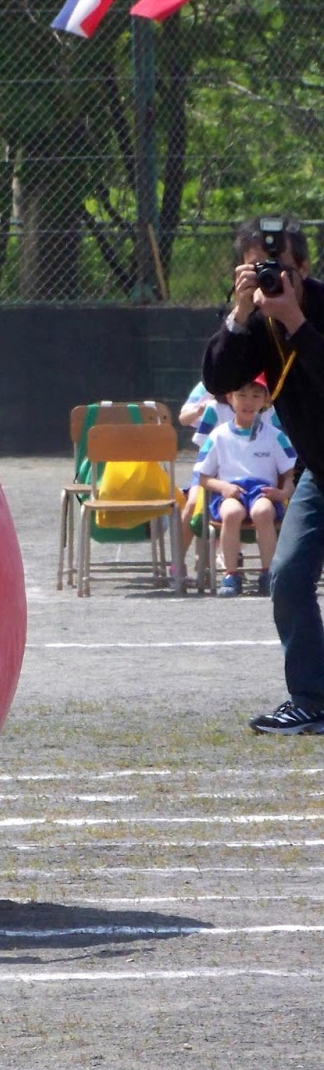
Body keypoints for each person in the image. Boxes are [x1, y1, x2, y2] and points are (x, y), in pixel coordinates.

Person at [202, 214, 324, 733]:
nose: (273, 278)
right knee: (289, 575)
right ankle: (311, 699)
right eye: (259, 268)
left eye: (283, 269)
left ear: (305, 267)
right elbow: (218, 381)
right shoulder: (253, 319)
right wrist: (238, 313)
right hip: (319, 471)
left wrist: (296, 320)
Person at [193, 377, 296, 597]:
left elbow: (290, 473)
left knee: (263, 512)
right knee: (231, 512)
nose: (248, 402)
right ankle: (231, 575)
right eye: (242, 395)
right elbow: (203, 476)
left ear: (265, 401)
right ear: (230, 398)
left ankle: (269, 573)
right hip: (230, 493)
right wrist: (223, 487)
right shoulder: (218, 435)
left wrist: (283, 493)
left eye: (256, 396)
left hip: (262, 493)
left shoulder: (275, 435)